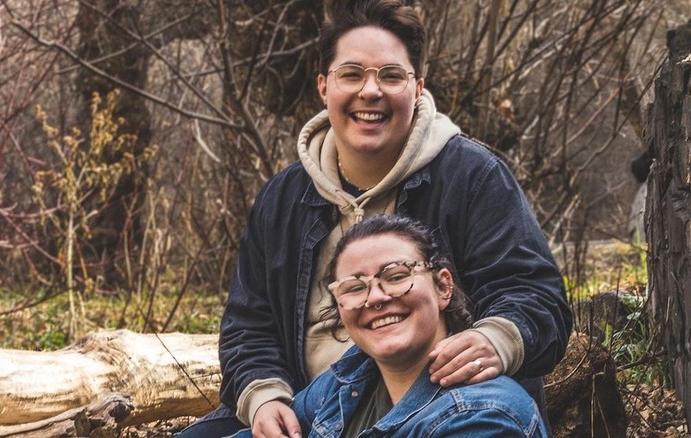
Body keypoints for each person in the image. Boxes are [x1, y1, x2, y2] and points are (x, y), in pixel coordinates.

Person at [176, 0, 571, 436]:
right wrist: (264, 396)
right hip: (311, 407)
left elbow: (537, 295)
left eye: (390, 75)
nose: (370, 91)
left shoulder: (470, 176)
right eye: (351, 74)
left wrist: (496, 340)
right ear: (324, 87)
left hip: (436, 396)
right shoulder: (282, 199)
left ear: (417, 87)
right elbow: (248, 326)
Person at [229, 214, 550, 437]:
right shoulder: (346, 380)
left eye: (396, 276)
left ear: (443, 287)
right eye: (354, 287)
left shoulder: (485, 416)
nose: (376, 298)